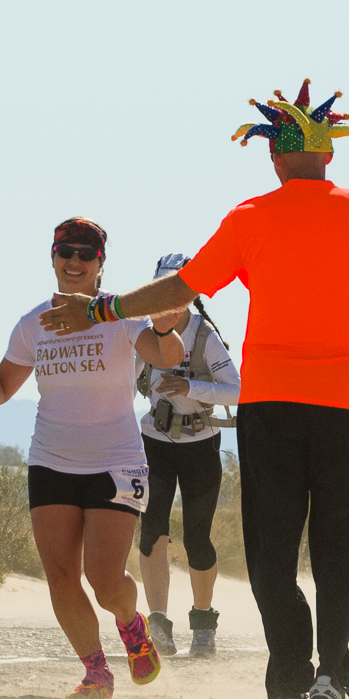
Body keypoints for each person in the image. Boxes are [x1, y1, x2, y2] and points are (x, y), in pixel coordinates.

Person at [37, 80, 349, 699]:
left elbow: (182, 286)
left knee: (271, 557)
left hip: (269, 413)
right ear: (328, 156)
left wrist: (99, 307)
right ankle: (329, 679)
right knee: (338, 554)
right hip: (343, 410)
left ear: (274, 160)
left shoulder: (250, 217)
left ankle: (289, 691)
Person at [0, 218, 183, 699]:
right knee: (60, 574)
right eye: (66, 251)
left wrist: (164, 327)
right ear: (53, 256)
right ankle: (95, 672)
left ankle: (132, 625)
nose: (75, 261)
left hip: (116, 460)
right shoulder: (31, 324)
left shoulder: (122, 317)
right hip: (51, 459)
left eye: (86, 253)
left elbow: (167, 355)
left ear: (101, 264)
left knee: (104, 578)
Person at [134, 252, 241, 659]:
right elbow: (123, 382)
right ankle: (158, 622)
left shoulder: (204, 336)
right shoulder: (139, 334)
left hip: (202, 444)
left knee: (198, 536)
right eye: (161, 288)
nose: (167, 298)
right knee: (152, 531)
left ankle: (203, 624)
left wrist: (192, 389)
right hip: (153, 441)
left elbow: (239, 390)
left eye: (176, 289)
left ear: (190, 293)